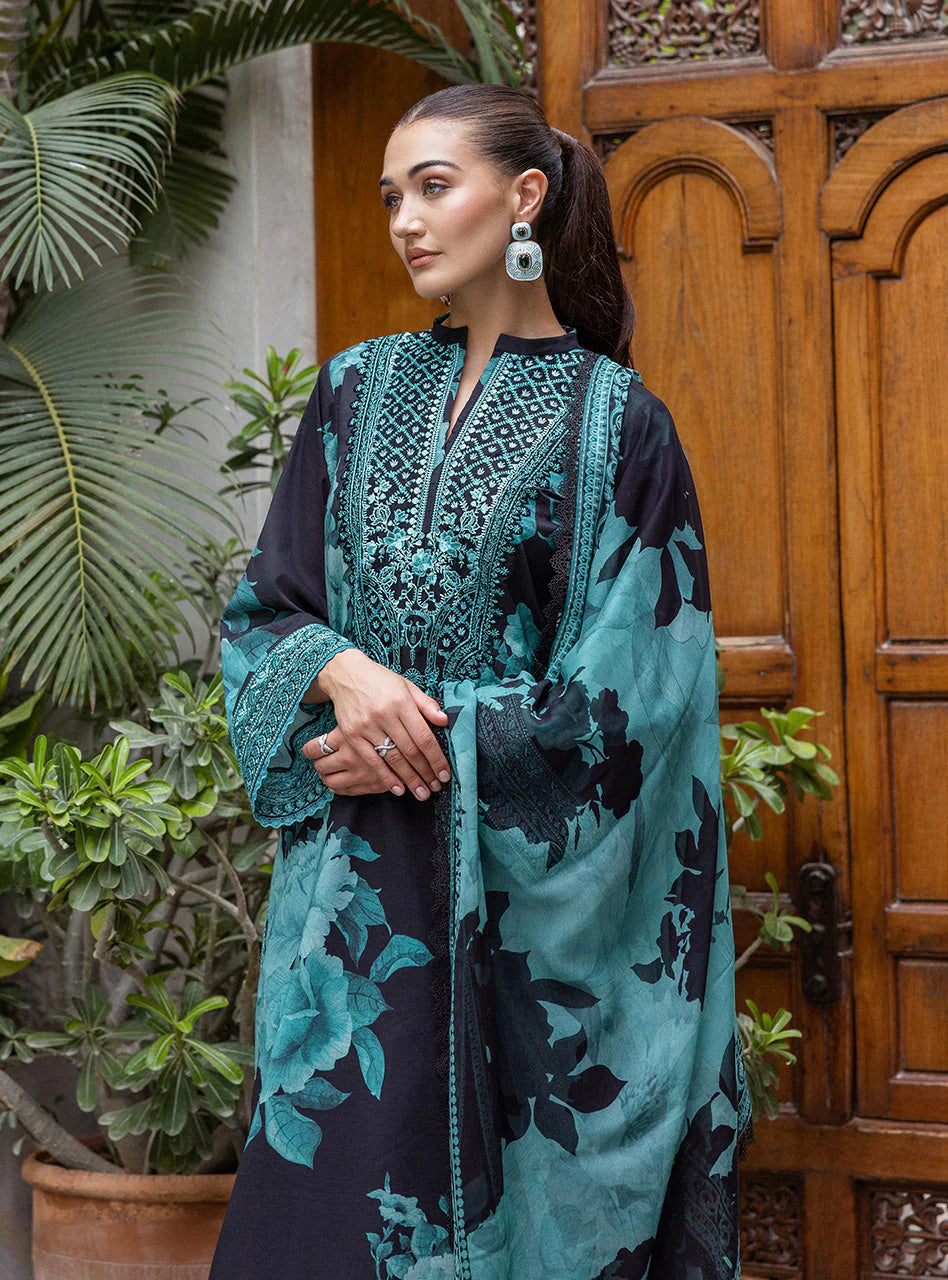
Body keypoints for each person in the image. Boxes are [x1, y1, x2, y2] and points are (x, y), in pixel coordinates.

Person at [211, 82, 749, 1280]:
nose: (404, 219)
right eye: (389, 196)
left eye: (433, 186)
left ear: (524, 198)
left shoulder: (621, 424)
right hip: (353, 917)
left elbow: (636, 699)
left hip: (533, 940)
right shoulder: (352, 394)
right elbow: (265, 610)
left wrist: (419, 730)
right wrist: (345, 670)